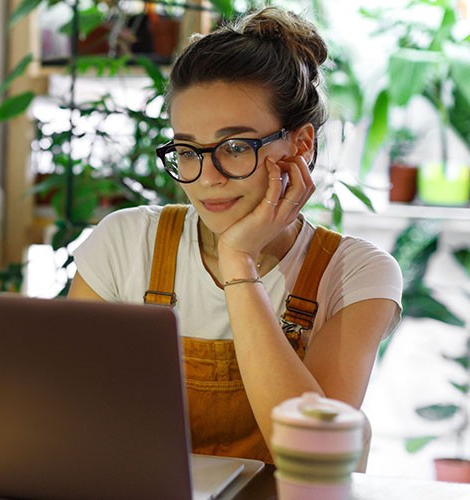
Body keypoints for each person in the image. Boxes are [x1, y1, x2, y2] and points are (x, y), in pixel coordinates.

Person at [68, 7, 402, 464]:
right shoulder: (127, 241)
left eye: (235, 147)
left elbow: (316, 453)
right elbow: (68, 415)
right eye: (187, 150)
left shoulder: (356, 274)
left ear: (300, 145)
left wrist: (238, 262)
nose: (206, 177)